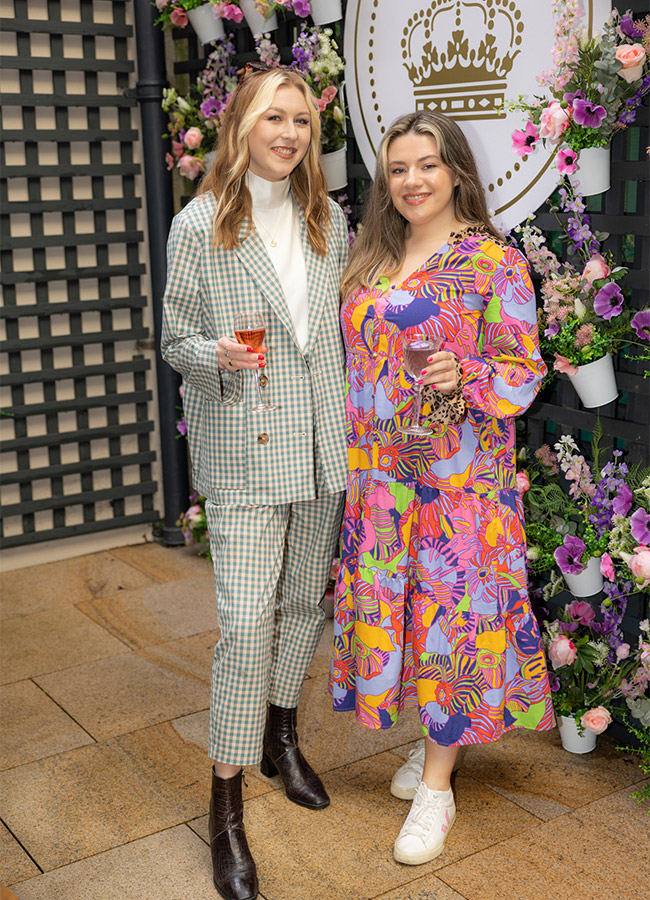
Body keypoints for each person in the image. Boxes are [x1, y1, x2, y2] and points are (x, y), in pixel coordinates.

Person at [329, 111, 555, 866]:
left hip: (455, 489)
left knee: (449, 624)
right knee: (403, 619)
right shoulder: (374, 256)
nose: (412, 181)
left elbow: (523, 373)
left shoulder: (491, 261)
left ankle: (436, 788)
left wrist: (471, 376)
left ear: (457, 170)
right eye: (397, 169)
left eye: (427, 165)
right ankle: (438, 739)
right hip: (380, 485)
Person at [161, 65, 349, 900]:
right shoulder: (200, 224)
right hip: (244, 446)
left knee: (306, 600)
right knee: (245, 625)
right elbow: (175, 340)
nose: (288, 134)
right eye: (272, 118)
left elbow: (331, 344)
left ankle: (282, 737)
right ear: (239, 125)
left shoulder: (327, 219)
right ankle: (226, 805)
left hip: (319, 447)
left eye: (301, 122)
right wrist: (217, 356)